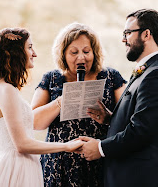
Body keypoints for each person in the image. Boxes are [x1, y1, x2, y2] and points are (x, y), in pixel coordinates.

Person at [0, 28, 83, 187]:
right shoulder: (6, 90)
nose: (34, 53)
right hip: (16, 171)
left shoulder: (5, 89)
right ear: (16, 52)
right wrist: (66, 146)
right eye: (29, 47)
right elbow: (22, 144)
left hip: (24, 167)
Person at [77, 9, 158, 187]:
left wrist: (100, 148)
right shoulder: (149, 70)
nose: (123, 39)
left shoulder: (157, 75)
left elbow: (141, 131)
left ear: (146, 34)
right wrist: (110, 119)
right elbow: (145, 120)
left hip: (143, 178)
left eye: (127, 33)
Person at [31, 22, 126, 187]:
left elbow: (129, 117)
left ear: (95, 52)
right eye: (74, 52)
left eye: (86, 51)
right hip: (59, 166)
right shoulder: (52, 79)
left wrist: (109, 117)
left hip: (101, 162)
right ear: (63, 55)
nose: (81, 57)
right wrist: (61, 101)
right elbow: (34, 122)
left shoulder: (111, 77)